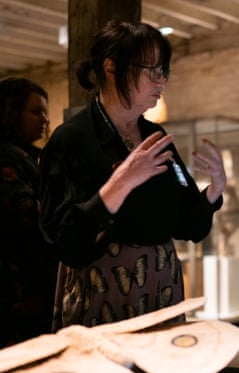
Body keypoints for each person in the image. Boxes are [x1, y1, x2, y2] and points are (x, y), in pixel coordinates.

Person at [38, 20, 226, 331]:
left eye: (163, 71)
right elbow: (63, 241)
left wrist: (213, 191)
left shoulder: (154, 134)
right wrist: (121, 183)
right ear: (111, 68)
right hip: (104, 287)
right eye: (151, 70)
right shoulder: (71, 139)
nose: (160, 81)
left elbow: (187, 224)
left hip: (161, 283)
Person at [0, 77, 57, 348]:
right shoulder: (5, 157)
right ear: (11, 113)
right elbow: (29, 215)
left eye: (45, 112)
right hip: (15, 290)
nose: (44, 119)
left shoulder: (33, 156)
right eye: (35, 112)